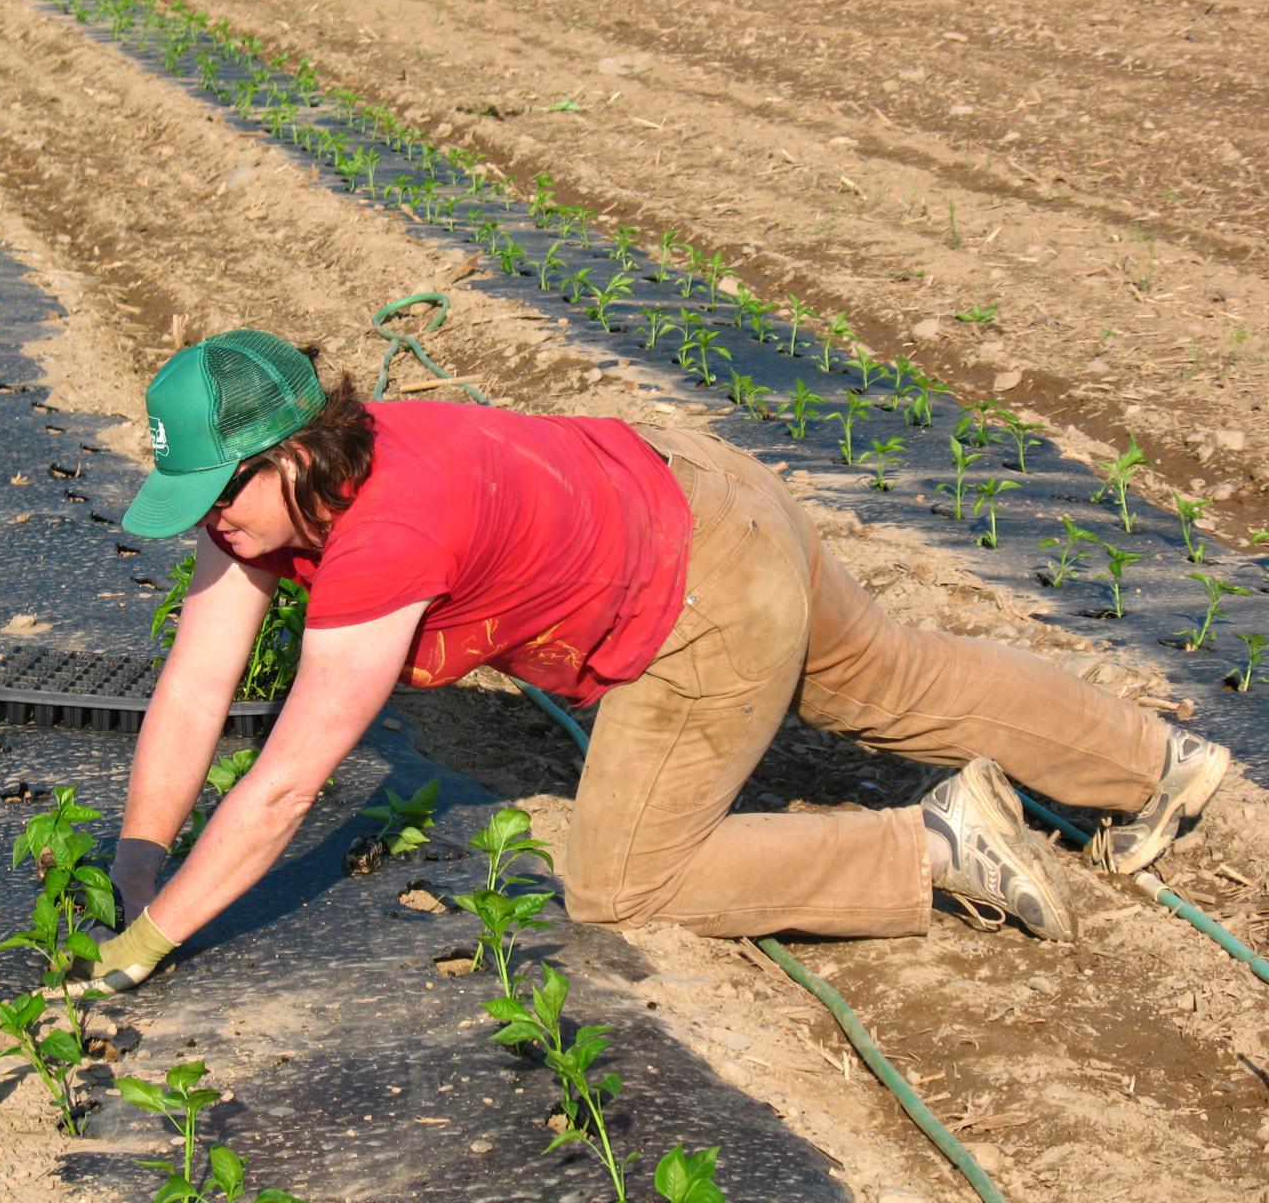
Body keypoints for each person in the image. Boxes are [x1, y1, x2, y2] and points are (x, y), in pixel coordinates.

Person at [76, 329, 1230, 994]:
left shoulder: (384, 534)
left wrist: (150, 942)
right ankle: (1156, 763)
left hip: (695, 602)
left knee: (628, 880)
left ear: (290, 457)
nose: (207, 523)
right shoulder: (278, 503)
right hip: (699, 490)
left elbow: (285, 781)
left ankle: (934, 843)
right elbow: (195, 683)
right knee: (889, 678)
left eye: (218, 493)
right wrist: (141, 853)